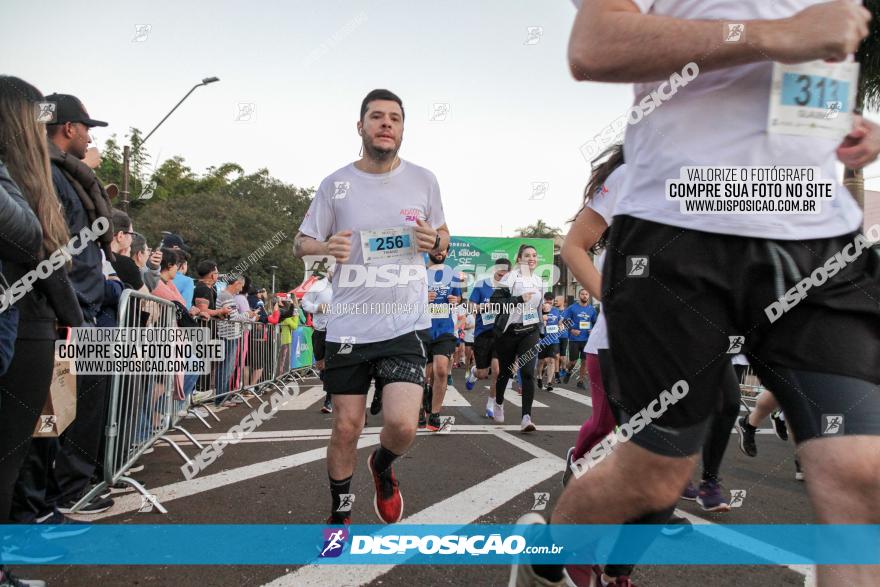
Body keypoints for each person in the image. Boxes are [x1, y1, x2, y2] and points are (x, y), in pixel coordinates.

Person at [513, 3, 880, 585]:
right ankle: (553, 542)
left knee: (864, 471)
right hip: (680, 232)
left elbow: (804, 72)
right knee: (656, 475)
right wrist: (775, 36)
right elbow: (597, 45)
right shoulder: (617, 180)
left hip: (814, 235)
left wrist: (844, 124)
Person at [294, 88, 450, 524]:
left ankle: (381, 466)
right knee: (346, 426)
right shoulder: (335, 184)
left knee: (402, 425)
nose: (386, 124)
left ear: (402, 129)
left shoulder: (424, 180)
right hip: (349, 326)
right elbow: (299, 243)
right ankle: (340, 514)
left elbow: (443, 238)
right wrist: (325, 246)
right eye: (377, 117)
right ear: (360, 126)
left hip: (405, 324)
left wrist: (434, 242)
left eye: (394, 118)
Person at [13, 92, 121, 520]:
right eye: (87, 128)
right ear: (69, 128)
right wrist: (70, 311)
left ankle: (62, 494)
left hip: (79, 312)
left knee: (65, 413)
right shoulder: (50, 175)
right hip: (65, 314)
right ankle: (44, 504)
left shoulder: (67, 175)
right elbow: (56, 246)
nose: (91, 138)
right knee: (51, 417)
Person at [0, 76, 84, 587]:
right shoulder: (25, 177)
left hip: (29, 323)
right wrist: (76, 320)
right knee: (8, 459)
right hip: (25, 322)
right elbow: (35, 242)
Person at [491, 245, 544, 433]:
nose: (531, 258)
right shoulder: (510, 278)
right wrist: (519, 299)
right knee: (505, 372)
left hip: (530, 331)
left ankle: (526, 418)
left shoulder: (539, 280)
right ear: (519, 259)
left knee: (528, 372)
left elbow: (539, 308)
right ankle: (498, 403)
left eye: (534, 255)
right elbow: (495, 303)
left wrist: (541, 328)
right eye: (527, 255)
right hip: (509, 332)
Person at [421, 245, 462, 431]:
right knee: (421, 376)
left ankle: (435, 415)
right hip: (421, 329)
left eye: (444, 250)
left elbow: (458, 297)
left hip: (444, 330)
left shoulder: (452, 274)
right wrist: (422, 298)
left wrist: (456, 300)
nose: (440, 252)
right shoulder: (419, 272)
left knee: (441, 371)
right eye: (437, 249)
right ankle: (422, 408)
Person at [465, 259, 511, 419]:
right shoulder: (481, 285)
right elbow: (470, 307)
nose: (502, 273)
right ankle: (474, 371)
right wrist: (486, 307)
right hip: (482, 334)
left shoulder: (509, 289)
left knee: (497, 371)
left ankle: (491, 404)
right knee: (483, 373)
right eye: (500, 269)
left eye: (506, 271)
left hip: (501, 334)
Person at [300, 264, 334, 413]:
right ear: (328, 273)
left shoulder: (346, 287)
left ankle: (329, 400)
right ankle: (325, 377)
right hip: (320, 330)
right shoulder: (318, 285)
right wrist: (317, 308)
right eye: (334, 272)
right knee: (321, 365)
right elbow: (304, 303)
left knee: (333, 365)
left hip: (338, 331)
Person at [561, 288, 597, 390]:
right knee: (573, 361)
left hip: (587, 339)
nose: (584, 296)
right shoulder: (572, 308)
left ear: (588, 296)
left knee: (584, 361)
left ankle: (580, 381)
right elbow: (564, 321)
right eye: (582, 294)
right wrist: (572, 330)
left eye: (586, 294)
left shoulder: (592, 309)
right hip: (574, 339)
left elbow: (595, 323)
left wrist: (593, 330)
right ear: (579, 295)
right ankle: (568, 371)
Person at [538, 297, 563, 390]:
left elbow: (560, 321)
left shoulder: (556, 310)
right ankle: (539, 377)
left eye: (550, 300)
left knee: (551, 360)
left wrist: (560, 325)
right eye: (546, 300)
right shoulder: (539, 310)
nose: (548, 302)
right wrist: (541, 319)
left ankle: (549, 382)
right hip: (542, 340)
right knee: (541, 361)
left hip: (553, 339)